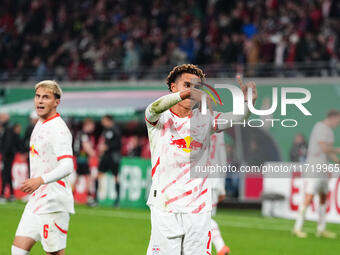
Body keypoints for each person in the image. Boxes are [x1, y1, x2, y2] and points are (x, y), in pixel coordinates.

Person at [145, 64, 257, 255]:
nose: (192, 91)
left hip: (198, 208)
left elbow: (239, 117)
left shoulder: (206, 119)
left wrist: (247, 103)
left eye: (196, 87)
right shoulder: (160, 119)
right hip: (165, 206)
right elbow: (152, 108)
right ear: (173, 87)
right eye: (187, 85)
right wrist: (185, 95)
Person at [12, 80, 74, 255]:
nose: (40, 101)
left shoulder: (58, 129)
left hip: (53, 202)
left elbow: (68, 165)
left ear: (56, 102)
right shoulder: (40, 124)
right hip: (37, 200)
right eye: (38, 96)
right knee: (17, 250)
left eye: (46, 97)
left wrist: (40, 180)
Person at [293, 109, 340, 238]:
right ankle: (297, 227)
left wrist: (338, 160)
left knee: (324, 197)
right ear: (333, 117)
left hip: (323, 168)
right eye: (338, 120)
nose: (338, 123)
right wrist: (338, 149)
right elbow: (324, 147)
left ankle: (321, 229)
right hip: (314, 168)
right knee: (309, 197)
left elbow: (328, 152)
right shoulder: (320, 127)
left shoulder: (330, 132)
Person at [210, 131, 230, 255]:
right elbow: (222, 157)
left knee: (201, 218)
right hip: (214, 179)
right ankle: (220, 247)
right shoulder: (218, 124)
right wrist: (221, 185)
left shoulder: (191, 120)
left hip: (197, 179)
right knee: (204, 218)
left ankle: (220, 246)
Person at [98, 115, 121, 206]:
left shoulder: (116, 130)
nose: (102, 122)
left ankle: (117, 200)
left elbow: (118, 144)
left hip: (113, 157)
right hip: (106, 156)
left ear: (108, 120)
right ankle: (95, 197)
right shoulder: (106, 130)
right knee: (98, 175)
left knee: (115, 177)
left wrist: (107, 147)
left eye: (104, 121)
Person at [73, 118, 97, 206]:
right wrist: (93, 154)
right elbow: (86, 147)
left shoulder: (80, 133)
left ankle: (72, 196)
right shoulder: (84, 135)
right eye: (91, 126)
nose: (92, 128)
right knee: (88, 177)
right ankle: (89, 197)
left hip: (79, 158)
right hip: (82, 158)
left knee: (78, 177)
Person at [0, 116, 21, 202]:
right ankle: (11, 194)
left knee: (5, 174)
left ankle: (3, 195)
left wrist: (3, 154)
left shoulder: (7, 129)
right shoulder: (7, 129)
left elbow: (8, 143)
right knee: (7, 174)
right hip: (8, 155)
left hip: (8, 155)